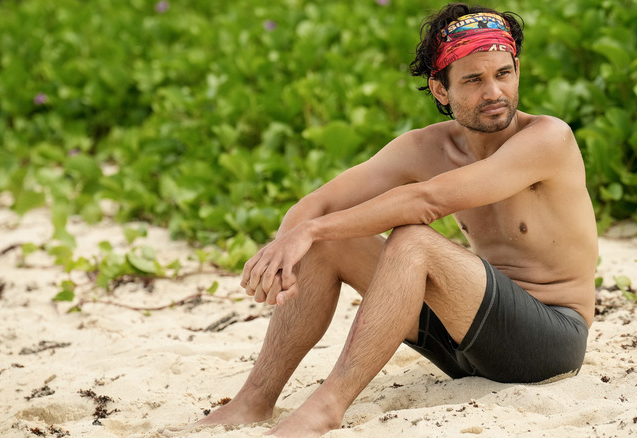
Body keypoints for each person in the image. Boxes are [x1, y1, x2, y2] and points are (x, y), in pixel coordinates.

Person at [197, 3, 597, 437]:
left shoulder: (548, 138)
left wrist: (311, 230)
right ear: (441, 90)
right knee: (328, 239)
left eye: (503, 73)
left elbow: (426, 201)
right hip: (464, 343)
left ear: (517, 69)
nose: (494, 92)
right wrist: (287, 248)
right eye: (473, 80)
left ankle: (326, 408)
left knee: (412, 240)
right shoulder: (426, 148)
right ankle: (254, 399)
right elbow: (317, 203)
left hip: (549, 341)